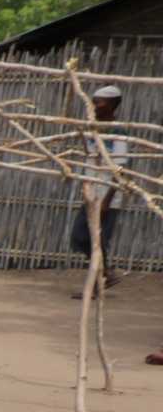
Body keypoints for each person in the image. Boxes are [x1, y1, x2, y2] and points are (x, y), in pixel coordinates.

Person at [74, 84, 126, 291]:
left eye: (98, 102)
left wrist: (107, 200)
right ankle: (105, 273)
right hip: (92, 192)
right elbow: (90, 154)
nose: (94, 105)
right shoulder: (93, 127)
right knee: (79, 237)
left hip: (107, 196)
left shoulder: (118, 132)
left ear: (112, 105)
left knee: (98, 240)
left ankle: (99, 283)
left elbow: (121, 168)